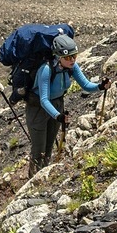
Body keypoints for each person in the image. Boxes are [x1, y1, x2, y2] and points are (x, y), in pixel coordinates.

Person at [28, 33, 99, 172]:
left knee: (48, 147)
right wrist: (58, 116)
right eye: (68, 57)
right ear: (58, 57)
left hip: (57, 107)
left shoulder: (71, 67)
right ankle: (33, 180)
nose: (72, 60)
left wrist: (100, 86)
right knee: (38, 150)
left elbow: (85, 85)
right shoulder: (46, 70)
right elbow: (43, 99)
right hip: (37, 110)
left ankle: (44, 177)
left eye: (75, 56)